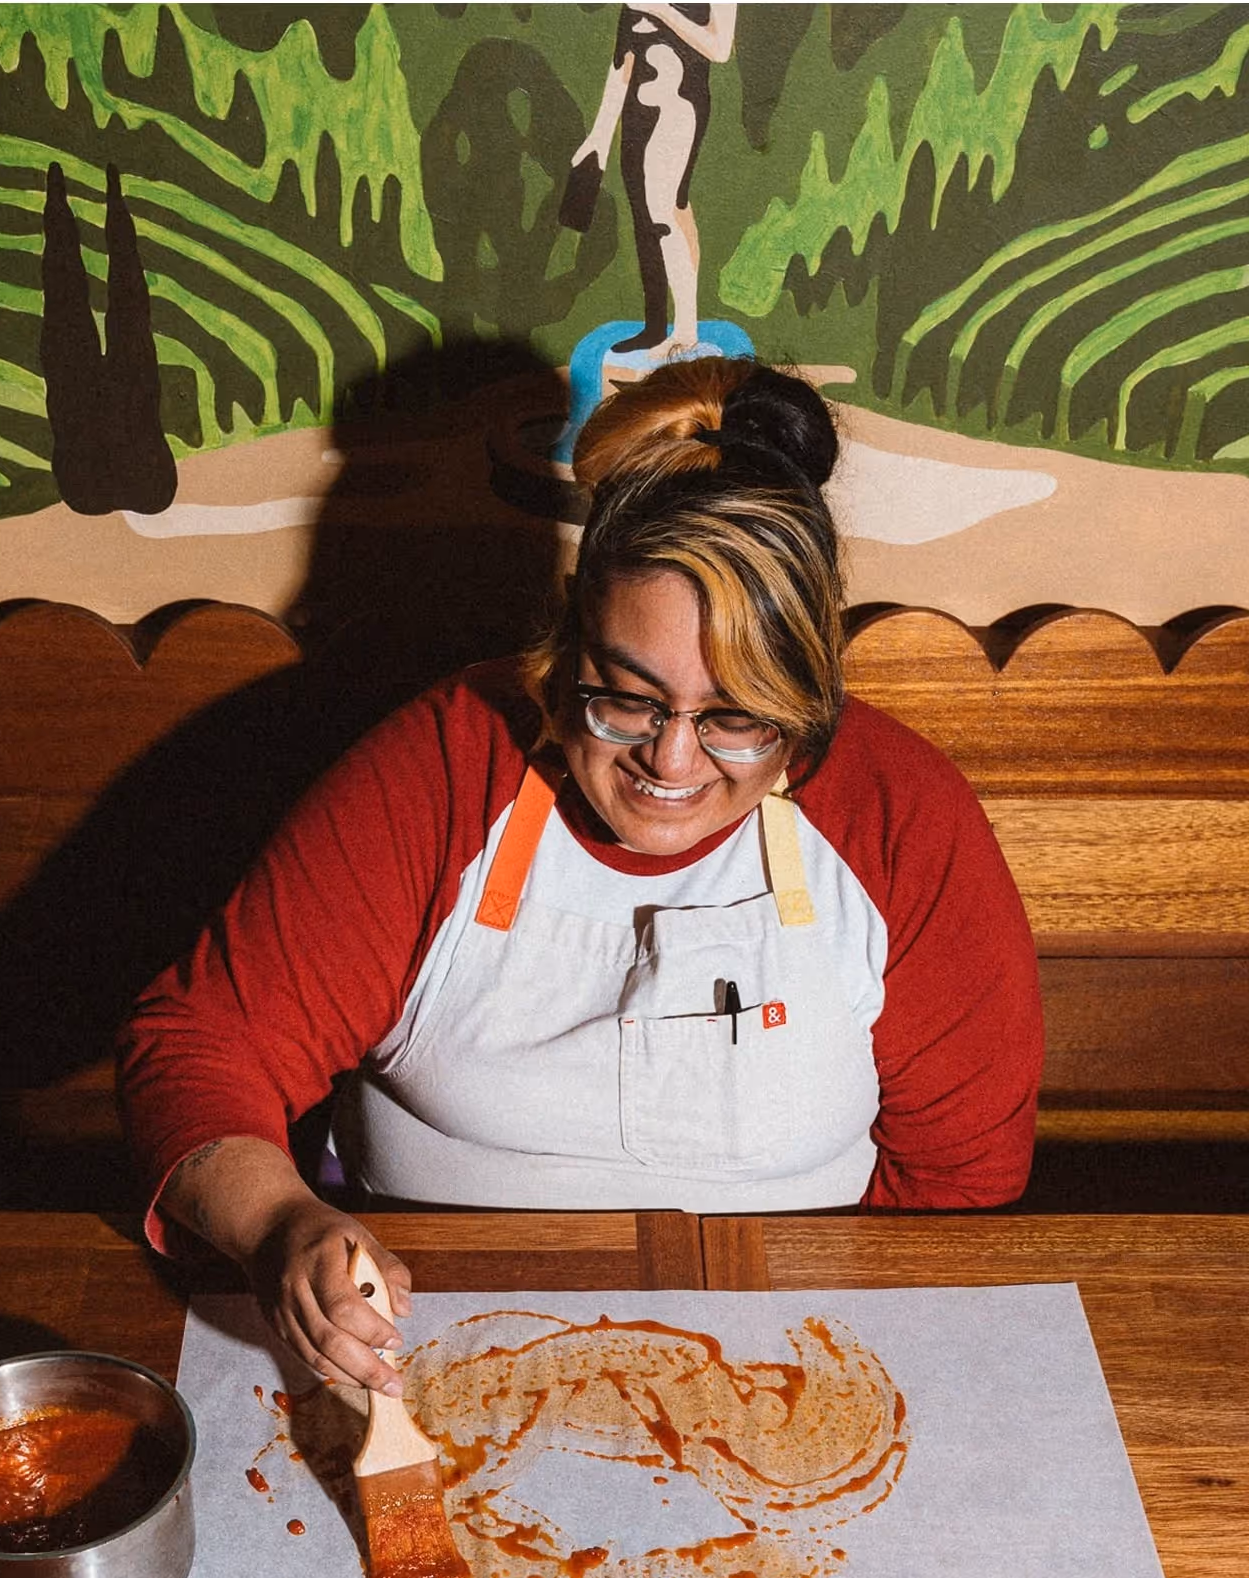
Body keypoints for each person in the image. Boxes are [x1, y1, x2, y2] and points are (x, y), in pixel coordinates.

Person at [117, 358, 1042, 1400]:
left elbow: (962, 1185)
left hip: (796, 1353)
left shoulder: (899, 812)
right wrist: (282, 1226)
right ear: (567, 650)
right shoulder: (447, 764)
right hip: (425, 1353)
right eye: (627, 699)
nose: (673, 763)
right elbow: (203, 1040)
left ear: (808, 701)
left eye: (737, 716)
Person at [563, 4, 737, 356]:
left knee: (666, 213)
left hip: (679, 105)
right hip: (636, 111)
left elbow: (719, 49)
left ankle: (686, 330)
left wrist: (660, 9)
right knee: (644, 216)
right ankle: (655, 327)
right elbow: (622, 62)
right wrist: (599, 134)